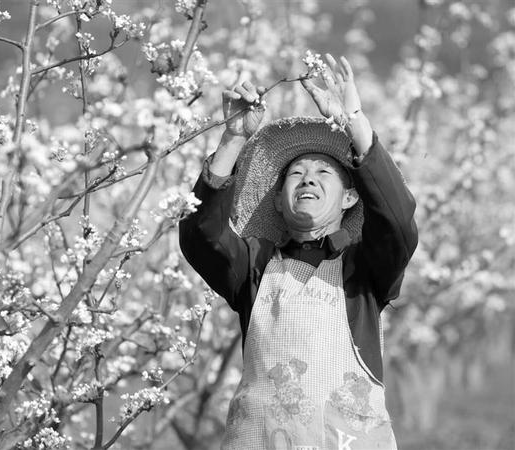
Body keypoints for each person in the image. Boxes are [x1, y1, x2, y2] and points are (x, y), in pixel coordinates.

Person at [179, 54, 418, 450]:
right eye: (295, 174)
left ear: (350, 197)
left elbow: (396, 222)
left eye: (323, 173)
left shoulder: (364, 267)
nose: (308, 179)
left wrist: (354, 123)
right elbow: (200, 235)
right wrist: (233, 138)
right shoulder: (255, 264)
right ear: (277, 201)